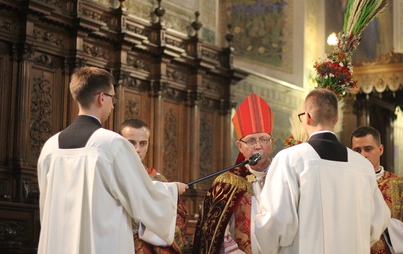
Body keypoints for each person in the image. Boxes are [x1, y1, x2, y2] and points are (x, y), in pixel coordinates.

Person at [37, 67, 188, 254]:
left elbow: (45, 206)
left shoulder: (50, 147)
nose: (113, 105)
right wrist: (172, 189)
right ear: (102, 98)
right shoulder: (111, 144)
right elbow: (142, 197)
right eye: (113, 99)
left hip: (57, 244)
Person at [254, 88, 390, 254]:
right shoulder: (363, 166)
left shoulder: (290, 159)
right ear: (336, 119)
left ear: (307, 118)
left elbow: (274, 220)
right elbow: (379, 218)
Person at [193, 93, 274, 254]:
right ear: (239, 145)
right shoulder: (227, 183)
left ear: (271, 142)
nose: (258, 146)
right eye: (251, 140)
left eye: (264, 139)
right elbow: (215, 234)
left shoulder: (283, 176)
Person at [351, 126, 403, 254]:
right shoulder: (347, 186)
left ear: (380, 149)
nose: (363, 155)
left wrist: (385, 224)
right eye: (357, 151)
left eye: (368, 149)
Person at [120, 118, 189, 254]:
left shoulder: (158, 179)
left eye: (143, 143)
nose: (137, 149)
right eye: (131, 143)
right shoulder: (112, 176)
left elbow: (177, 216)